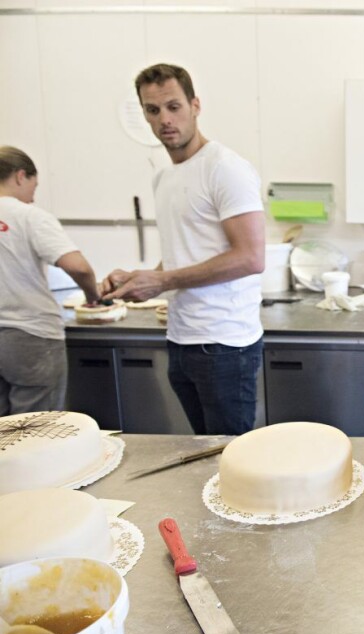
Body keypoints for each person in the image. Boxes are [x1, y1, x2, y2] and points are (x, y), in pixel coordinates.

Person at [101, 63, 265, 436]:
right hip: (181, 338)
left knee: (227, 458)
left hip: (225, 344)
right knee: (200, 454)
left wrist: (162, 280)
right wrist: (138, 277)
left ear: (195, 105)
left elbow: (251, 257)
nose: (165, 120)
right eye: (153, 110)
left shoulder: (225, 169)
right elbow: (182, 253)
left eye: (174, 106)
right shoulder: (165, 175)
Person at [0, 146, 100, 415]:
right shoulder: (29, 216)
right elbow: (78, 267)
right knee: (35, 431)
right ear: (21, 176)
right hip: (30, 337)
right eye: (34, 185)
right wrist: (93, 297)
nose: (33, 196)